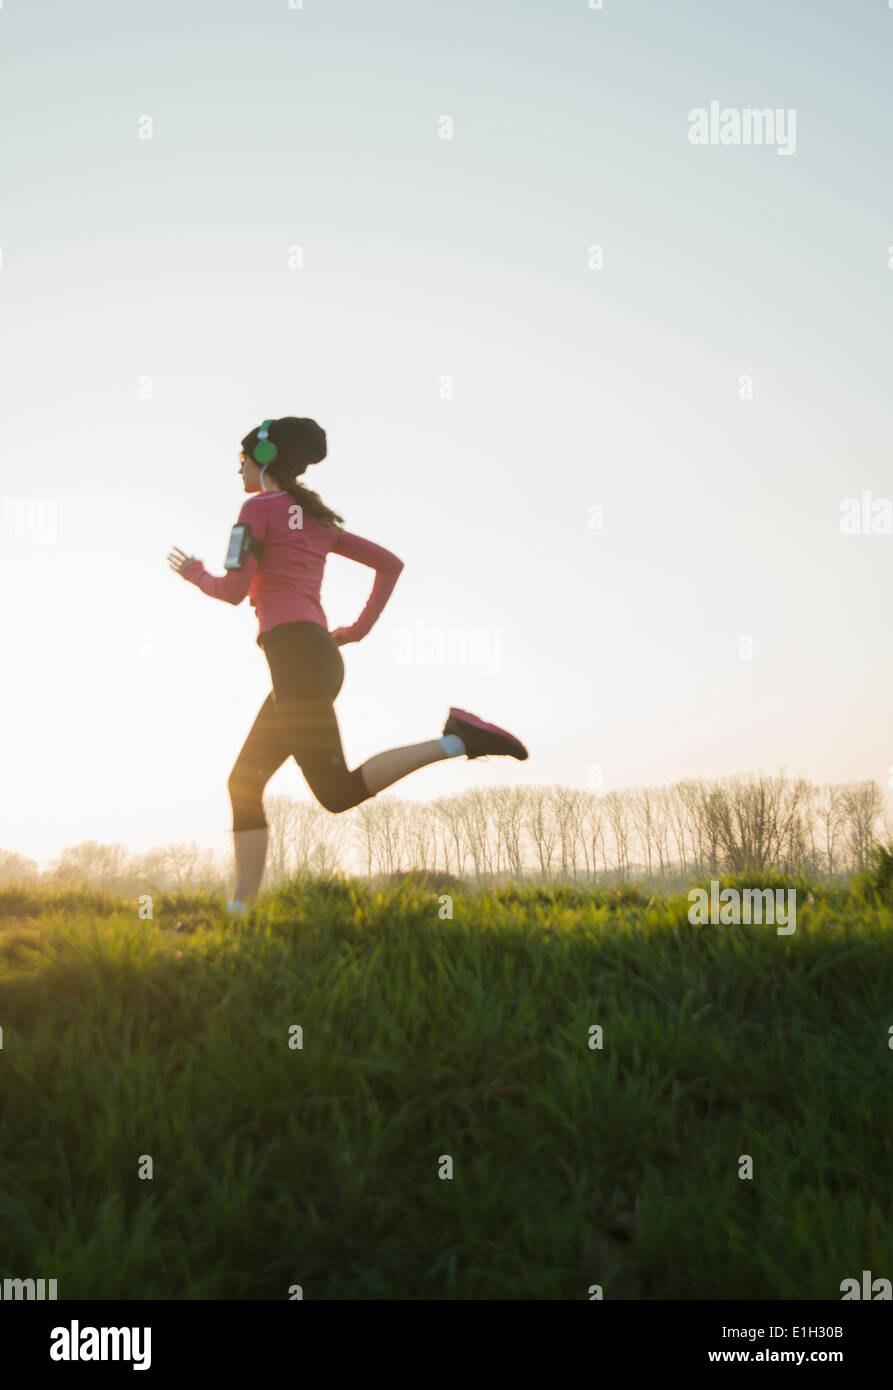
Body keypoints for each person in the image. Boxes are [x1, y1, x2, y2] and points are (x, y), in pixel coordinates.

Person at [168, 416, 528, 913]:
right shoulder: (317, 520)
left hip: (297, 661)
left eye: (242, 460)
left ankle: (459, 739)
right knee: (244, 782)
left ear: (264, 458)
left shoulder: (255, 509)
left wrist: (194, 573)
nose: (240, 470)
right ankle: (240, 911)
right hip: (314, 658)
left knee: (335, 793)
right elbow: (390, 564)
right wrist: (356, 631)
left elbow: (231, 591)